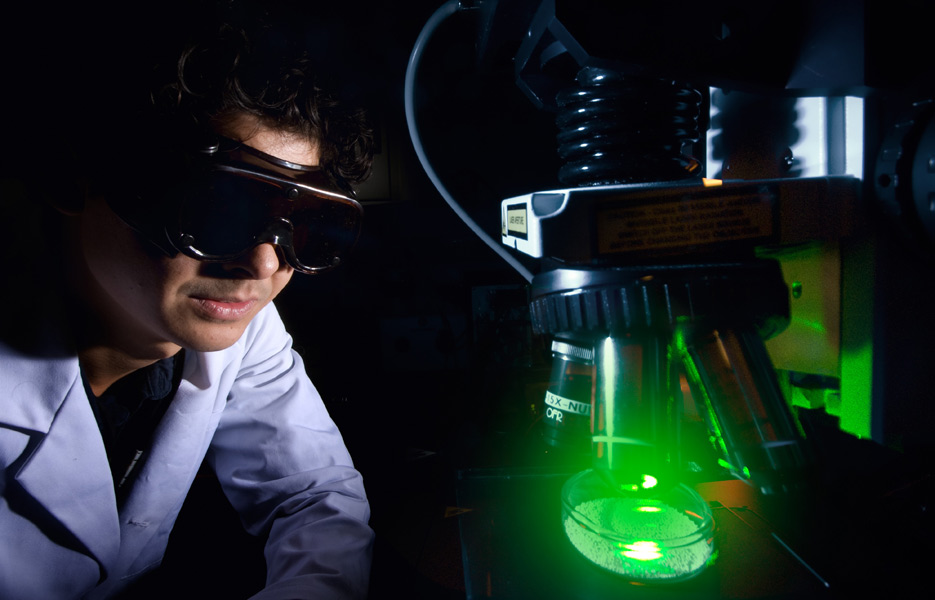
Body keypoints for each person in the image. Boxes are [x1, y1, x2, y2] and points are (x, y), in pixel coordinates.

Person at [0, 4, 375, 598]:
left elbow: (314, 495)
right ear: (71, 175)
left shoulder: (241, 322)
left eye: (304, 226)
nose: (264, 266)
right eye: (218, 209)